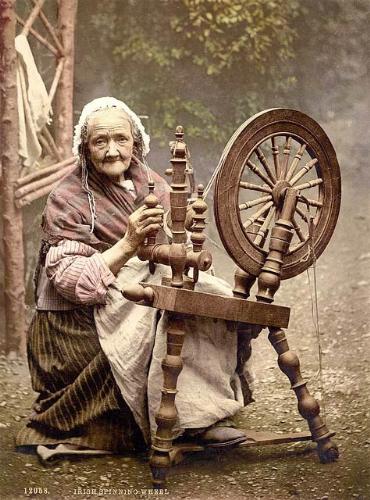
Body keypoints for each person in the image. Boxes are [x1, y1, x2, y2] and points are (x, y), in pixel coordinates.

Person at [16, 97, 247, 458]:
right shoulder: (68, 197)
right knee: (158, 312)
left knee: (208, 296)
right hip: (73, 320)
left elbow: (178, 242)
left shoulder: (150, 183)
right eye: (100, 142)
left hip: (125, 292)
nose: (112, 152)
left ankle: (204, 410)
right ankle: (185, 421)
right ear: (84, 149)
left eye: (121, 140)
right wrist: (129, 242)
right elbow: (72, 283)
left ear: (136, 143)